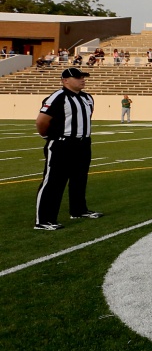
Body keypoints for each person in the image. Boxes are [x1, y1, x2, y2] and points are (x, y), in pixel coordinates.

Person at [34, 67, 103, 230]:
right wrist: (49, 137)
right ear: (65, 81)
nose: (82, 80)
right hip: (61, 144)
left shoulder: (87, 98)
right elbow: (41, 121)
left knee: (79, 179)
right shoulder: (58, 97)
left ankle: (78, 210)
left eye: (83, 77)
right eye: (78, 77)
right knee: (53, 181)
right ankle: (44, 220)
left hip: (83, 143)